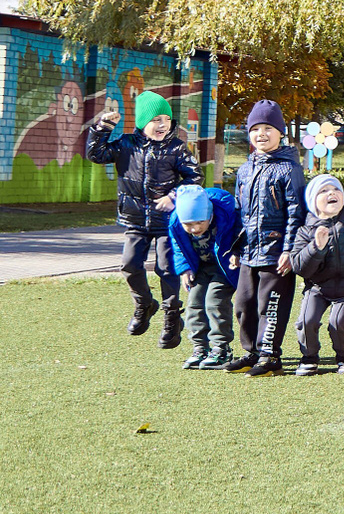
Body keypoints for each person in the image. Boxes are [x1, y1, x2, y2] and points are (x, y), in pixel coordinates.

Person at [86, 88, 200, 349]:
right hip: (135, 220)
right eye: (156, 120)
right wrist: (103, 128)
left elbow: (194, 176)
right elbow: (96, 154)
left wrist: (174, 195)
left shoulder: (175, 148)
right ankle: (144, 304)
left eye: (167, 119)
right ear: (142, 122)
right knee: (129, 265)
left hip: (166, 222)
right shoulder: (125, 144)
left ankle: (172, 317)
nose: (163, 125)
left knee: (167, 268)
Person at [226, 100, 307, 377]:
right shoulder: (245, 169)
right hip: (249, 251)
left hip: (276, 253)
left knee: (269, 306)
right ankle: (251, 352)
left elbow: (296, 213)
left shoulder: (289, 169)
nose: (261, 134)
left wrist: (289, 250)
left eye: (268, 128)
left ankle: (270, 355)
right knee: (244, 304)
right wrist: (236, 247)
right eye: (255, 128)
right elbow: (240, 211)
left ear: (280, 132)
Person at [287, 174, 344, 375]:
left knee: (339, 322)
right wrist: (316, 247)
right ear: (313, 201)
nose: (331, 193)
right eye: (324, 191)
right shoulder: (306, 230)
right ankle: (309, 357)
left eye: (336, 189)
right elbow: (300, 267)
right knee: (306, 321)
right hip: (318, 287)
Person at [168, 183, 239, 369]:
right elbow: (178, 247)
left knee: (215, 301)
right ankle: (200, 348)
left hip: (225, 267)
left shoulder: (226, 215)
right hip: (200, 267)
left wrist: (237, 252)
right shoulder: (175, 223)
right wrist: (184, 269)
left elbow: (240, 234)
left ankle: (221, 348)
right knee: (195, 303)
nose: (195, 229)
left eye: (200, 222)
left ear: (209, 214)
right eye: (188, 225)